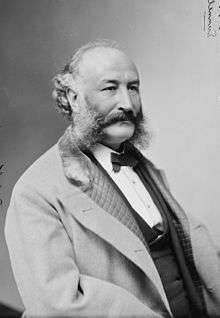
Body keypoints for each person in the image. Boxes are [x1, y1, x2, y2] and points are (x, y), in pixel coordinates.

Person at [5, 40, 220, 318]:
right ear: (73, 98)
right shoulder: (35, 190)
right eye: (110, 88)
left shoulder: (145, 168)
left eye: (133, 87)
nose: (128, 103)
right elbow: (57, 303)